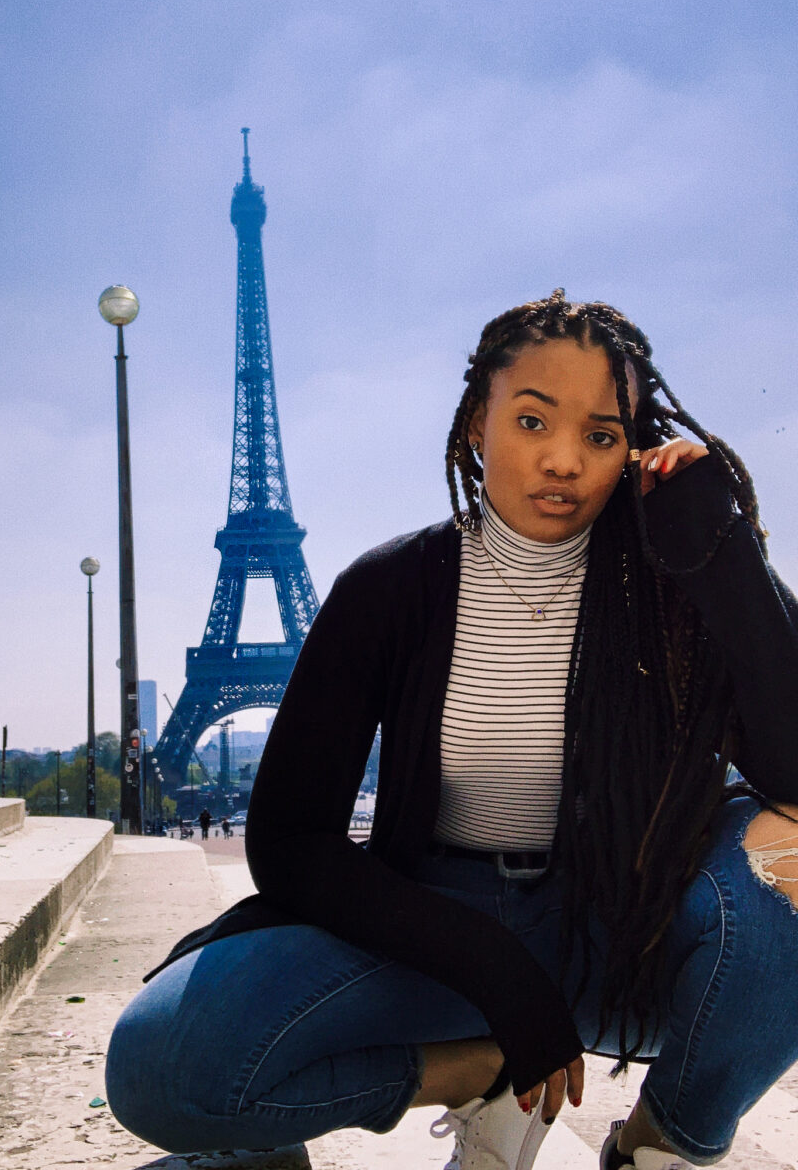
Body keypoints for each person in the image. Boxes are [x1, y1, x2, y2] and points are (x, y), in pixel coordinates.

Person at [105, 291, 798, 1170]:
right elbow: (288, 842)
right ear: (478, 422)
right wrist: (493, 972)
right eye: (533, 419)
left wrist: (724, 551)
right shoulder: (392, 588)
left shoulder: (665, 594)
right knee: (159, 1068)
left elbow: (793, 769)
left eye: (600, 435)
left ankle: (666, 1145)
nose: (563, 461)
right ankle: (478, 1074)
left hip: (616, 937)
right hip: (433, 927)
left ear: (632, 448)